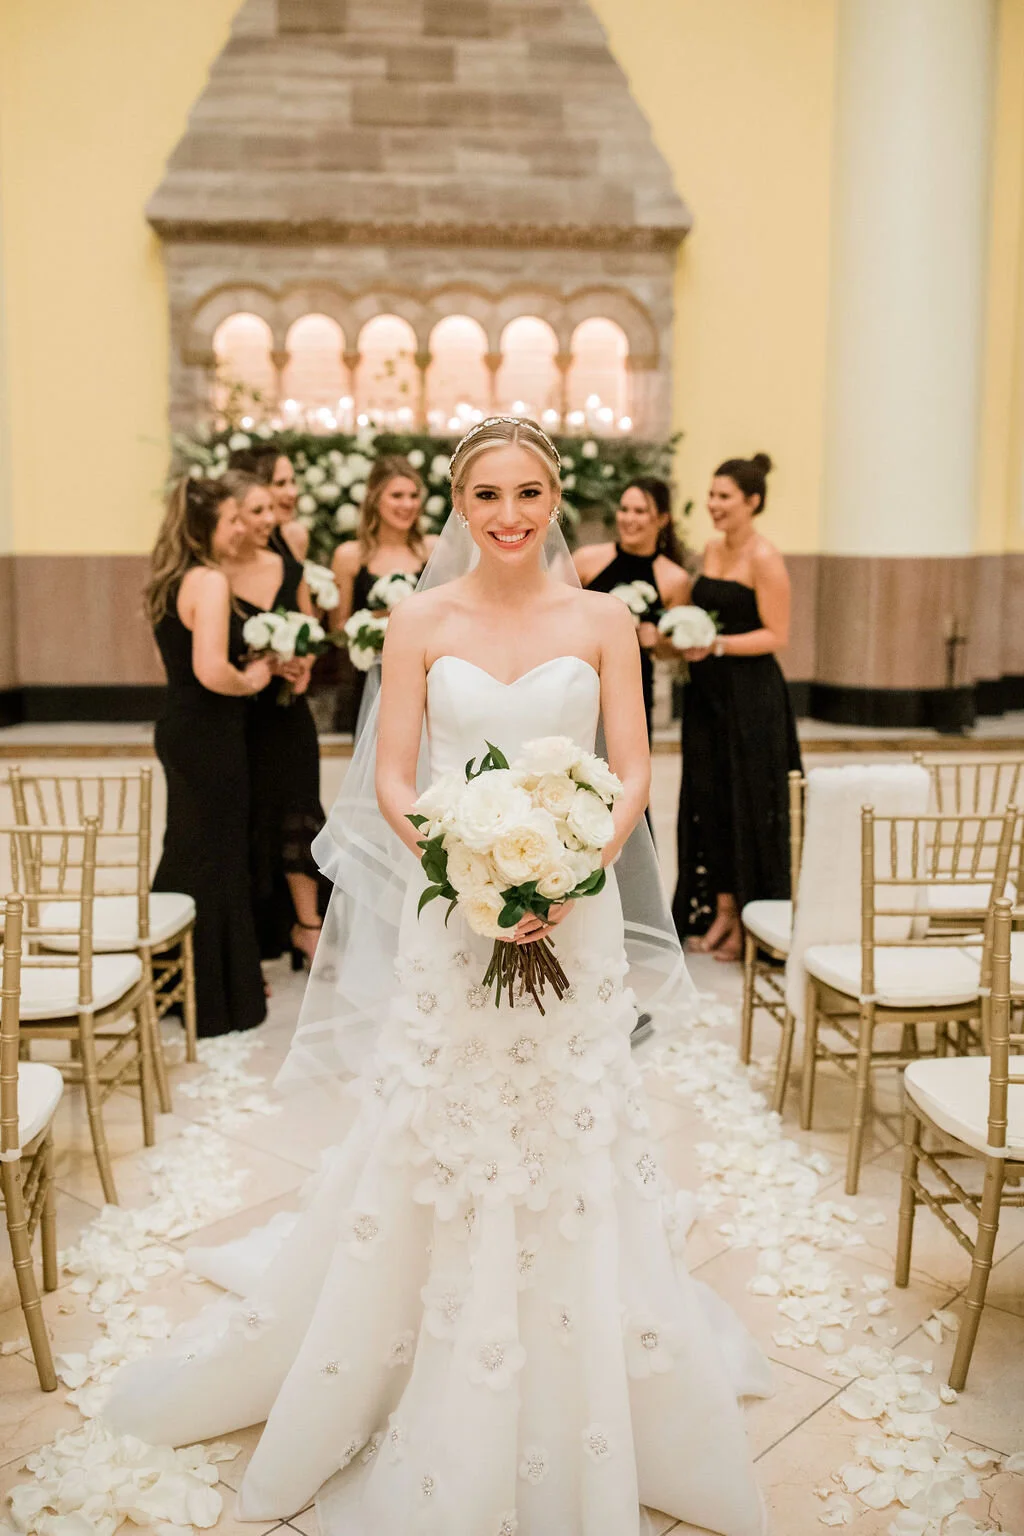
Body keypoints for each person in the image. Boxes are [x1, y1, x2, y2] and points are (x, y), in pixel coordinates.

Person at [106, 419, 770, 1536]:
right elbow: (395, 775)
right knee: (447, 1114)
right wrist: (468, 873)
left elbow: (632, 768)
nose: (508, 515)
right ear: (459, 504)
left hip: (575, 910)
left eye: (529, 493)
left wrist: (573, 870)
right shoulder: (419, 618)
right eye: (487, 495)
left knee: (567, 1115)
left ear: (554, 499)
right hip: (449, 910)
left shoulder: (603, 620)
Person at [143, 477, 270, 1036]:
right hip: (210, 731)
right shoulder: (211, 581)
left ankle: (176, 983)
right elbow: (211, 670)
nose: (240, 528)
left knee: (189, 850)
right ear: (204, 528)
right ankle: (218, 997)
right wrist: (253, 678)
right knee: (218, 856)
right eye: (231, 520)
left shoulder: (169, 581)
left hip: (180, 725)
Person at [671, 453, 802, 961]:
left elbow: (777, 635)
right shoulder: (710, 548)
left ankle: (754, 919)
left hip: (752, 699)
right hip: (707, 696)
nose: (713, 504)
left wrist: (717, 644)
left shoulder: (765, 557)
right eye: (711, 494)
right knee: (710, 800)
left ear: (752, 501)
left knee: (749, 805)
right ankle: (723, 910)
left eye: (724, 496)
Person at [218, 470, 327, 969]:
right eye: (257, 510)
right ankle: (254, 936)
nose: (269, 519)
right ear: (231, 516)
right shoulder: (212, 576)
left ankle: (309, 925)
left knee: (298, 812)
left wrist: (302, 666)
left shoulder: (288, 568)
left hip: (288, 716)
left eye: (269, 509)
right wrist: (252, 668)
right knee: (248, 819)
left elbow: (311, 633)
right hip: (237, 719)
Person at [574, 477, 691, 738]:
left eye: (640, 511)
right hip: (582, 679)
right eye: (624, 509)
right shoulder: (586, 560)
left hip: (633, 688)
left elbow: (676, 650)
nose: (629, 518)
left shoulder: (674, 579)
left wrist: (658, 640)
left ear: (662, 519)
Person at [328, 455, 437, 732]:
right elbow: (338, 629)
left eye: (413, 496)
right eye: (397, 496)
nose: (407, 504)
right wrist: (376, 630)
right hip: (369, 681)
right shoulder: (349, 556)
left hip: (427, 681)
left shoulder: (432, 550)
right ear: (375, 499)